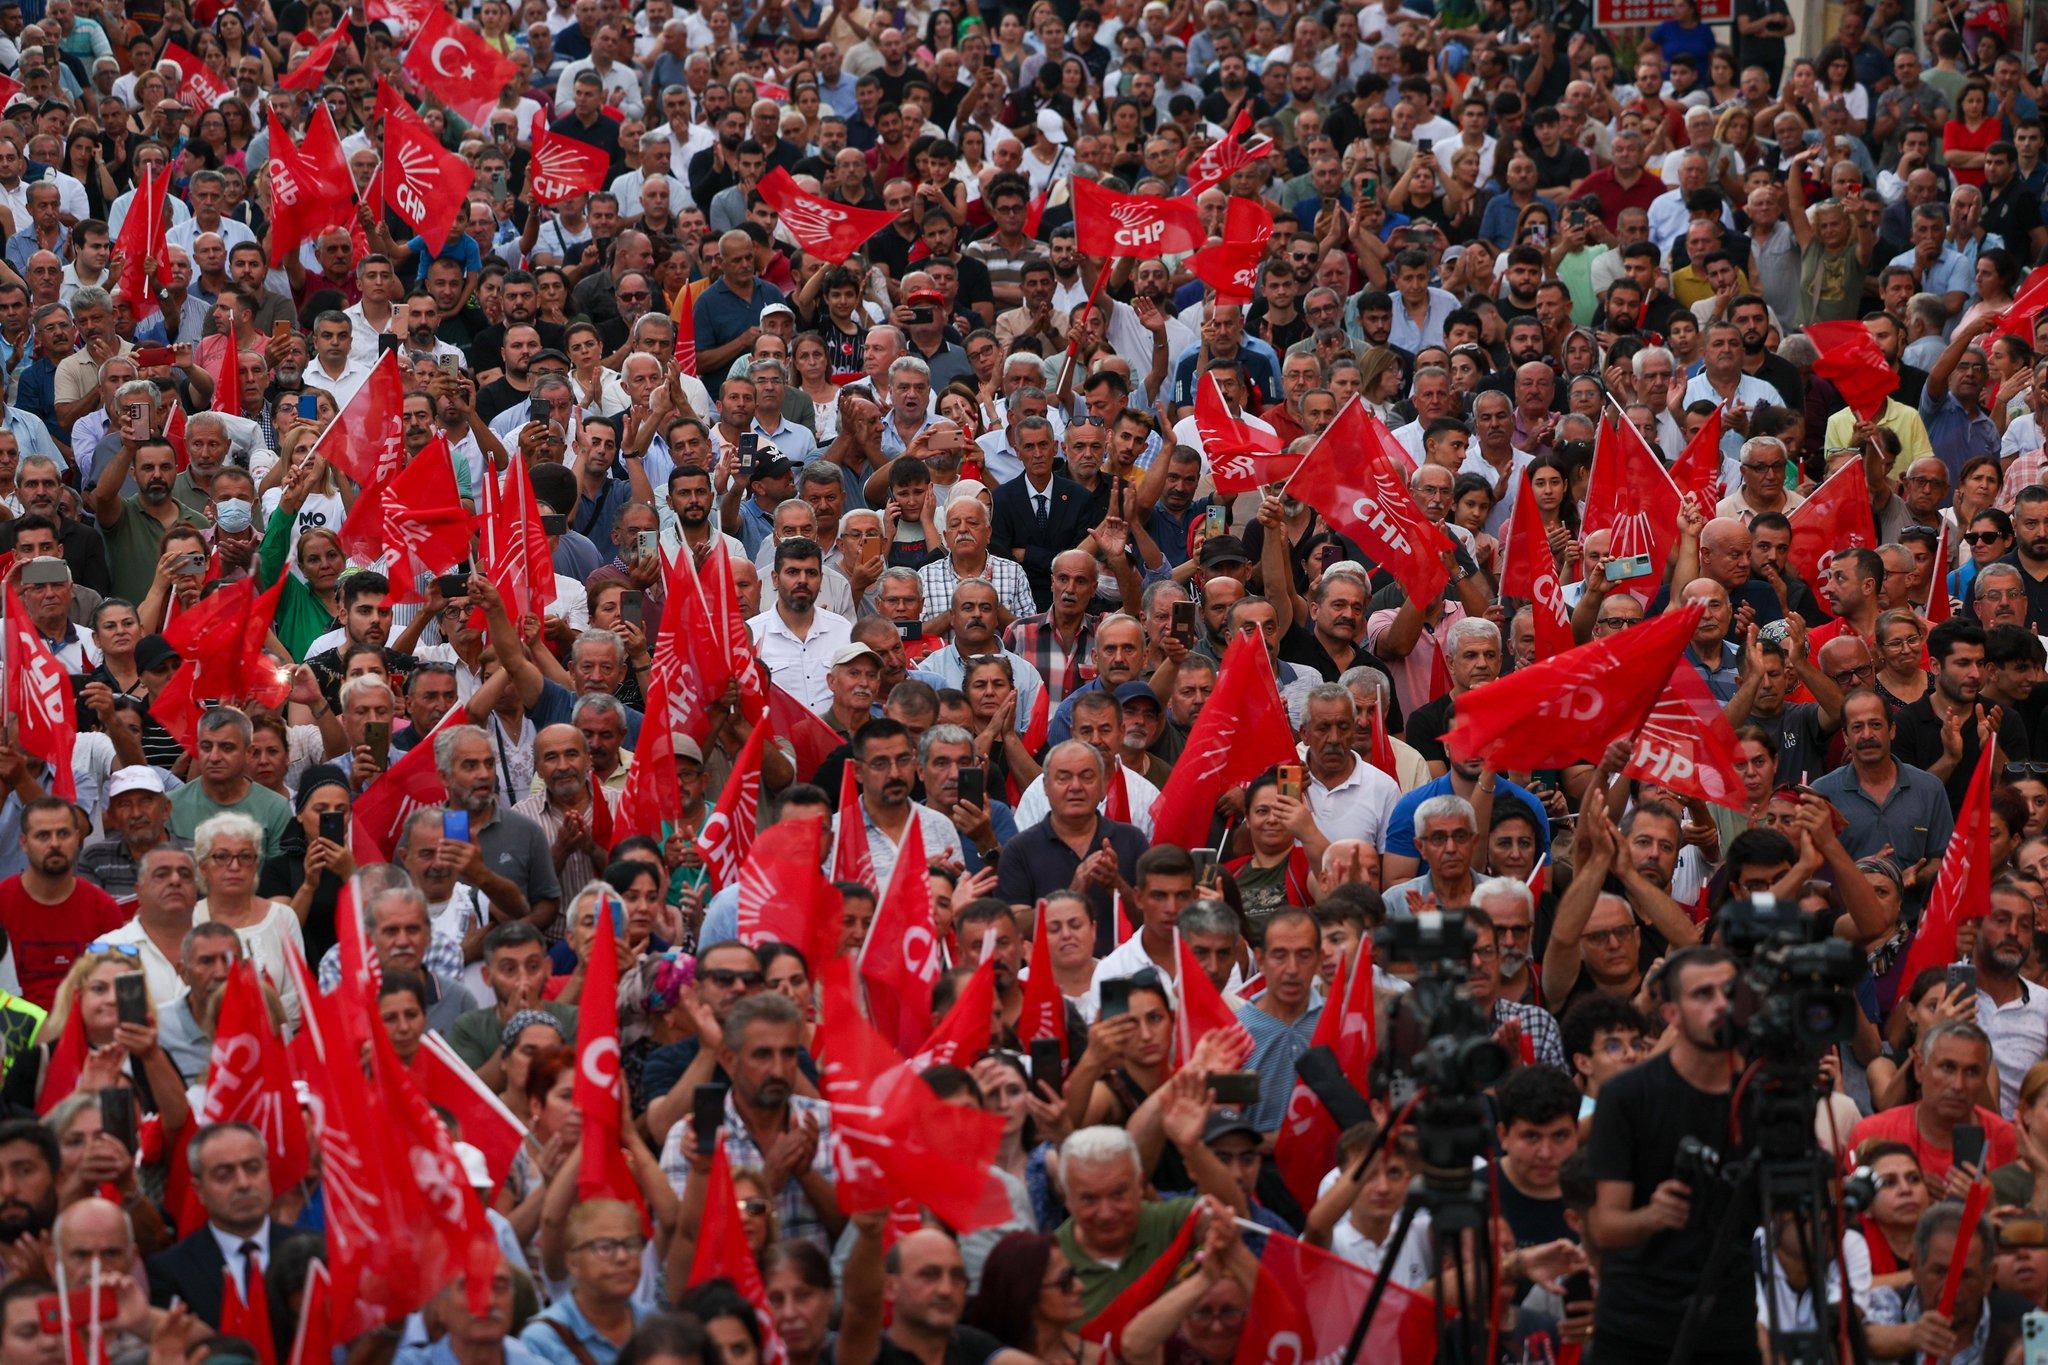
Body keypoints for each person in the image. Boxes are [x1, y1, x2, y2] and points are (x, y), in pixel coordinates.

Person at [1586, 948, 1760, 1365]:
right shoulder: (1627, 1096)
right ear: (1671, 1015)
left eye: (1729, 992)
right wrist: (1651, 1216)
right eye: (1703, 994)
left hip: (1727, 1323)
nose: (1721, 1004)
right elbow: (1605, 1226)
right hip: (1638, 1327)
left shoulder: (1764, 1098)